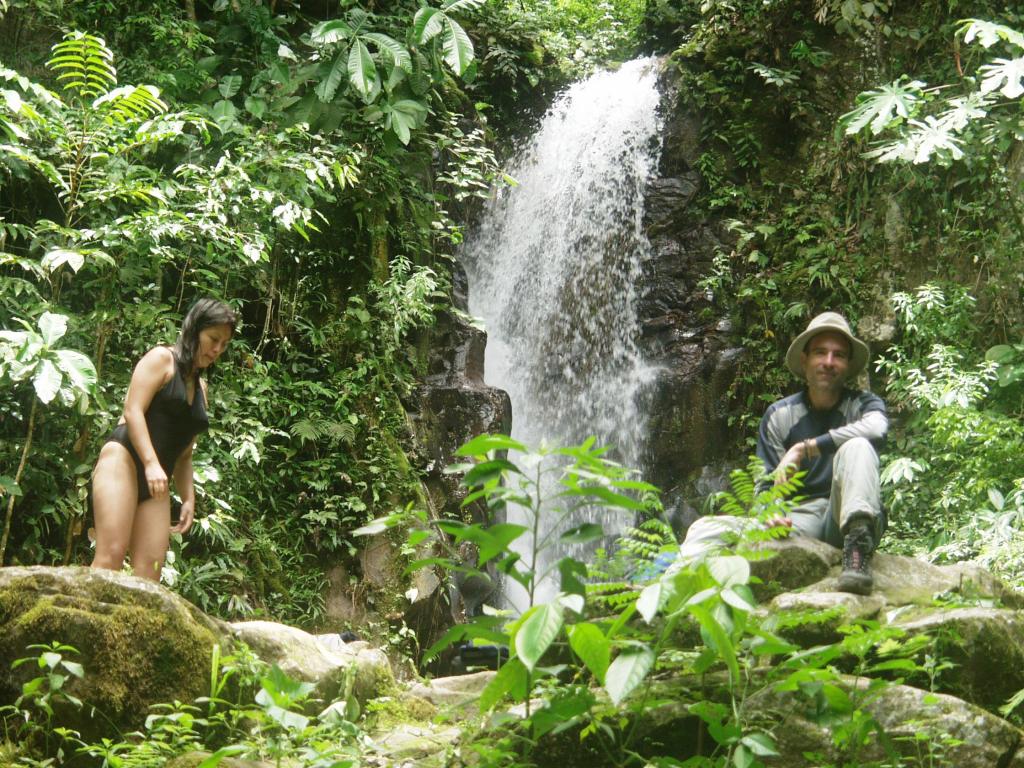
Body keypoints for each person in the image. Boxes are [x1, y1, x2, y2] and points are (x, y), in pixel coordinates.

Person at [679, 312, 887, 595]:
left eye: (838, 355)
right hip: (800, 522)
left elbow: (877, 429)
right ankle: (674, 594)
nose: (828, 362)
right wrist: (768, 514)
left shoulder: (863, 405)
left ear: (848, 364)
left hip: (845, 516)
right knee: (704, 529)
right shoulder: (780, 415)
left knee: (859, 445)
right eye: (820, 353)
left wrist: (806, 447)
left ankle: (857, 556)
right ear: (805, 360)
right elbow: (766, 484)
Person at [90, 298, 237, 581]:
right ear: (194, 330)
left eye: (224, 344)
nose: (217, 349)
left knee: (151, 571)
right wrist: (150, 462)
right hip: (124, 460)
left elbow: (185, 455)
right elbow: (132, 411)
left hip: (157, 478)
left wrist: (188, 498)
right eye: (213, 339)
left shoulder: (202, 388)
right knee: (111, 556)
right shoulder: (161, 359)